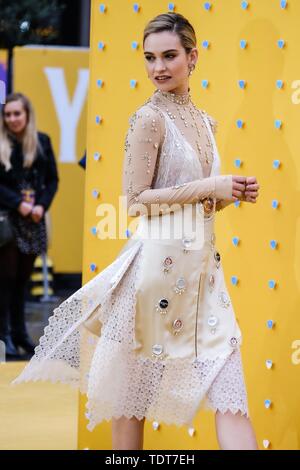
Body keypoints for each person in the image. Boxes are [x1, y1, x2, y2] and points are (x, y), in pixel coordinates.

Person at [12, 13, 259, 450]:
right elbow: (137, 200)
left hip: (205, 275)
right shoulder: (146, 119)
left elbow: (197, 199)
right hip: (155, 277)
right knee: (131, 402)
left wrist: (228, 192)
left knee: (231, 394)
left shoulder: (206, 122)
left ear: (193, 57)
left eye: (169, 55)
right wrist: (211, 186)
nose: (158, 67)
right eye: (150, 57)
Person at [0, 92, 59, 359]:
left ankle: (21, 334)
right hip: (7, 221)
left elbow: (52, 180)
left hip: (33, 220)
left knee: (22, 281)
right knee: (6, 280)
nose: (12, 119)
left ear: (27, 115)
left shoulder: (42, 141)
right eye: (8, 114)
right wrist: (18, 204)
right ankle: (5, 336)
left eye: (17, 113)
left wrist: (40, 206)